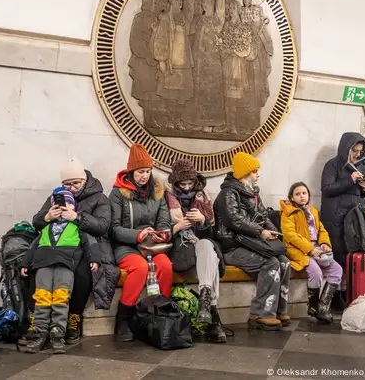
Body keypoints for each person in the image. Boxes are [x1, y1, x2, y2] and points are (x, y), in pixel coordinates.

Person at [30, 159, 117, 345]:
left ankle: (73, 318)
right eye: (67, 184)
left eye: (76, 183)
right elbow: (36, 222)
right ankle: (37, 323)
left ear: (84, 181)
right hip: (59, 245)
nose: (71, 188)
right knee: (36, 268)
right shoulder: (57, 196)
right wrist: (47, 217)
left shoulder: (100, 198)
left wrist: (76, 217)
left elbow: (102, 226)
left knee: (83, 272)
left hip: (88, 245)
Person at [214, 152, 291, 331]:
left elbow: (263, 215)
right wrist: (260, 231)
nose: (258, 175)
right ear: (244, 174)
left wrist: (274, 232)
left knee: (285, 263)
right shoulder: (227, 194)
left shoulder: (252, 193)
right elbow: (233, 220)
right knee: (270, 263)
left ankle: (278, 310)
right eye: (255, 172)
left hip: (251, 243)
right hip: (232, 247)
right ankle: (260, 314)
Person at [110, 144, 173, 342]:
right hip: (127, 245)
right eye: (140, 172)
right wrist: (137, 235)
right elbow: (113, 229)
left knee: (165, 266)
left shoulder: (158, 192)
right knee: (140, 268)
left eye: (147, 171)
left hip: (151, 245)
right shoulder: (118, 194)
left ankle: (161, 315)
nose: (144, 176)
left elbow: (164, 222)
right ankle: (123, 320)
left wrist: (162, 234)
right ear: (131, 172)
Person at [166, 159, 227, 343]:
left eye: (189, 183)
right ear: (175, 183)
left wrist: (202, 221)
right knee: (212, 259)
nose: (186, 187)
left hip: (200, 246)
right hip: (179, 248)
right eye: (182, 184)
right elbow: (159, 229)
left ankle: (205, 298)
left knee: (208, 246)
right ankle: (213, 317)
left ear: (195, 181)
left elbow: (211, 233)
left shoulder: (202, 196)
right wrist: (176, 227)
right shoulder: (166, 197)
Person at [22, 188, 81, 354]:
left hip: (65, 266)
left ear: (74, 208)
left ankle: (57, 334)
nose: (64, 207)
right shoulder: (46, 226)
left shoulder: (76, 226)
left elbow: (90, 243)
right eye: (60, 204)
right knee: (42, 298)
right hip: (43, 265)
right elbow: (34, 245)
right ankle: (39, 333)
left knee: (61, 298)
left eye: (69, 203)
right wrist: (25, 263)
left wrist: (95, 260)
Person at [320, 132, 365, 309]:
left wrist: (364, 189)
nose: (358, 154)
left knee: (350, 257)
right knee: (338, 257)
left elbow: (361, 195)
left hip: (352, 219)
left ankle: (345, 293)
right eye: (354, 150)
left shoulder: (361, 167)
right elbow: (327, 189)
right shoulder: (332, 165)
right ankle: (334, 297)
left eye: (360, 151)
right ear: (346, 149)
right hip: (335, 219)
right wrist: (350, 181)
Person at [280, 182, 342, 324]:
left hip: (316, 249)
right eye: (297, 194)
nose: (302, 196)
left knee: (337, 270)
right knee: (316, 272)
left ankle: (323, 306)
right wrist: (310, 249)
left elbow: (321, 230)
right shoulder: (288, 212)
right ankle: (313, 305)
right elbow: (290, 235)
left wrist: (325, 243)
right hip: (299, 250)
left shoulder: (313, 211)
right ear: (292, 197)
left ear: (308, 195)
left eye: (304, 193)